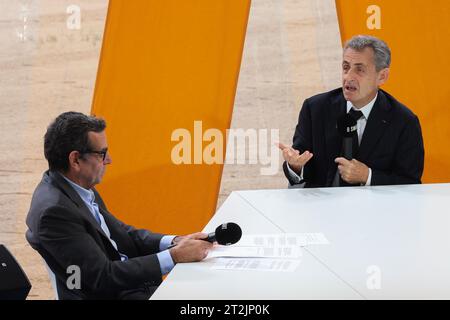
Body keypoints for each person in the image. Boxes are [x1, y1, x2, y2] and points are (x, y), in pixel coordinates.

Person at [26, 112, 213, 299]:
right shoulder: (55, 213)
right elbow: (103, 276)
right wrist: (174, 256)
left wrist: (175, 242)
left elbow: (123, 234)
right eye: (102, 154)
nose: (109, 160)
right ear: (75, 160)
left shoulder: (77, 186)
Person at [278, 35, 424, 188]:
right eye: (346, 67)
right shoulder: (315, 109)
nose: (348, 77)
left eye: (359, 70)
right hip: (322, 207)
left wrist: (367, 176)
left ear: (382, 76)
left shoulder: (404, 121)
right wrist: (296, 166)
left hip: (375, 209)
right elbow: (303, 166)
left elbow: (410, 183)